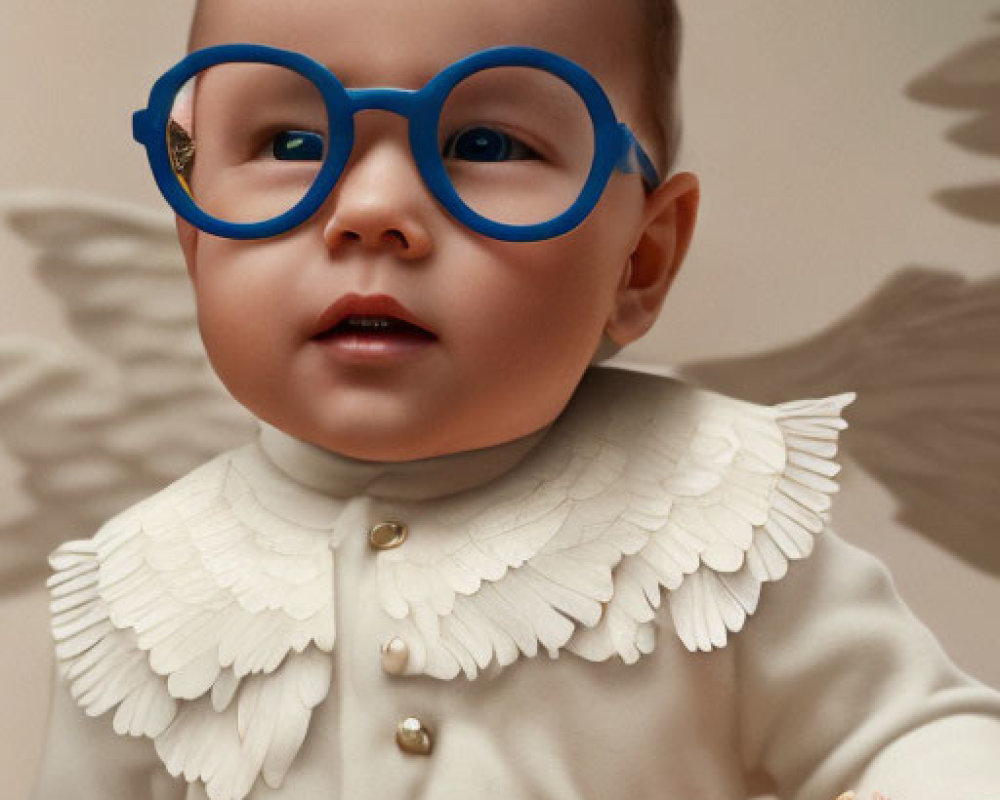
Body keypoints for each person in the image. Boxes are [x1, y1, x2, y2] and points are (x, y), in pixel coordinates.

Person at [32, 0, 1000, 798]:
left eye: (484, 140)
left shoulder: (711, 518)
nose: (371, 211)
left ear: (639, 258)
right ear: (192, 234)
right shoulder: (139, 592)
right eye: (292, 138)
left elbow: (910, 738)